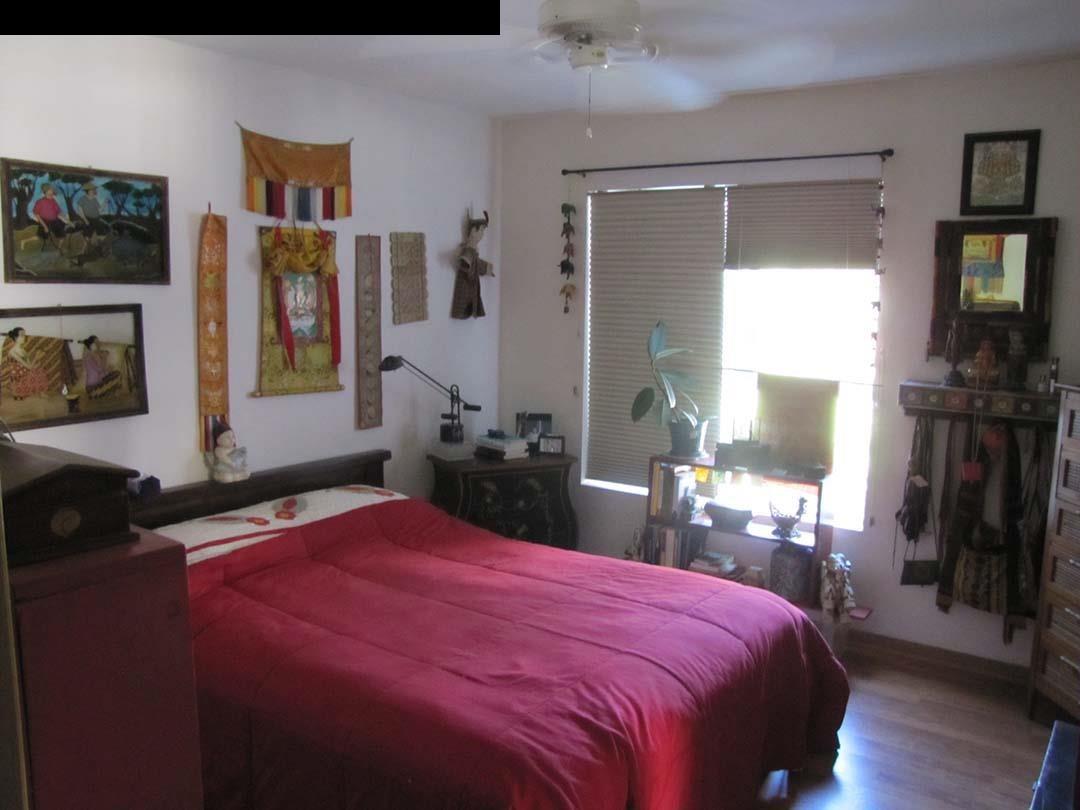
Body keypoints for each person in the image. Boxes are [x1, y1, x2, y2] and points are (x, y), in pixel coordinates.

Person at [451, 211, 494, 319]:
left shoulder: (472, 250)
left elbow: (476, 263)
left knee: (471, 301)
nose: (482, 234)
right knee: (464, 301)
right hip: (466, 284)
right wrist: (485, 268)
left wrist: (487, 268)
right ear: (474, 231)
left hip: (471, 285)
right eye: (481, 230)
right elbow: (468, 263)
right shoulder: (468, 251)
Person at [2, 327, 51, 400]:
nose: (24, 337)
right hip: (18, 379)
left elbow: (30, 365)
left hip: (24, 373)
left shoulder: (23, 351)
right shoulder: (12, 352)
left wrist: (37, 358)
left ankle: (41, 392)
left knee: (40, 369)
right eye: (22, 335)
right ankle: (36, 392)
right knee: (37, 372)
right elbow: (29, 367)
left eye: (24, 335)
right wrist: (36, 357)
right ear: (16, 337)